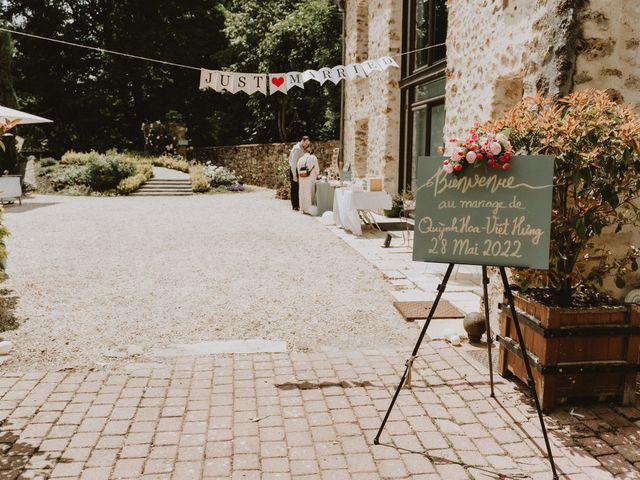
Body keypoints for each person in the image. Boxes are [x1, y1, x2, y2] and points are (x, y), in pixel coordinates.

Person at [288, 135, 310, 210]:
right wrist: (294, 175)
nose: (307, 145)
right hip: (294, 170)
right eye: (306, 143)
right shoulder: (297, 149)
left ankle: (298, 204)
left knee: (298, 188)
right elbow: (293, 163)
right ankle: (295, 205)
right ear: (302, 141)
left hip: (298, 170)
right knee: (294, 188)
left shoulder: (302, 148)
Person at [297, 146, 320, 214]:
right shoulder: (313, 157)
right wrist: (317, 175)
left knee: (302, 192)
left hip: (302, 177)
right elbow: (317, 169)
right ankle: (309, 209)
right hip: (310, 177)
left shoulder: (300, 159)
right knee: (310, 192)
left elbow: (298, 169)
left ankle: (302, 208)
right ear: (311, 152)